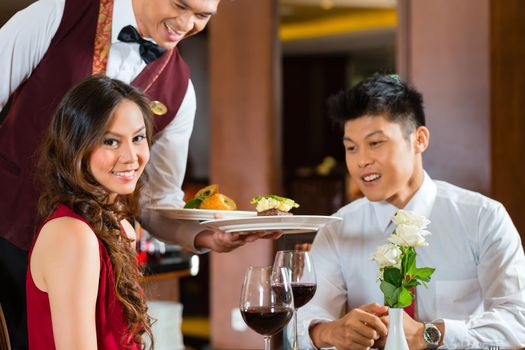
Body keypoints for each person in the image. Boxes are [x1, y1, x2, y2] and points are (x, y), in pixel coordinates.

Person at [0, 0, 276, 347]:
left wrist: (207, 236)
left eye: (203, 16)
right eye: (181, 5)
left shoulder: (180, 90)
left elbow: (157, 200)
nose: (187, 23)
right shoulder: (58, 13)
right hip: (7, 231)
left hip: (95, 241)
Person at [296, 74, 525, 349]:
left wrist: (430, 334)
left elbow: (517, 323)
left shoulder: (483, 218)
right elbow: (301, 321)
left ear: (419, 139)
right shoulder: (338, 228)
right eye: (351, 148)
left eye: (376, 143)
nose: (361, 161)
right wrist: (331, 332)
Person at [28, 75, 154, 349]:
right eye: (111, 141)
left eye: (138, 138)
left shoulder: (121, 228)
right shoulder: (72, 234)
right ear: (77, 147)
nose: (131, 156)